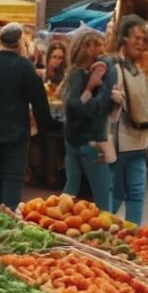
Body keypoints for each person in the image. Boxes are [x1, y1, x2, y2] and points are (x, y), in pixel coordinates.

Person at [0, 23, 52, 210]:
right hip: (16, 131)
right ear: (19, 42)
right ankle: (8, 222)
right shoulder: (25, 67)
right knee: (12, 178)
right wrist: (44, 126)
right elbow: (39, 100)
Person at [109, 16, 148, 225]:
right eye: (136, 38)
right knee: (117, 194)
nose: (141, 43)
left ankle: (133, 237)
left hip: (138, 143)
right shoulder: (113, 68)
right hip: (119, 144)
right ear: (123, 39)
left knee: (137, 192)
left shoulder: (139, 71)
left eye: (144, 39)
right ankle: (98, 235)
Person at [62, 26, 118, 209]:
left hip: (73, 140)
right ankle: (105, 230)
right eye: (94, 45)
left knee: (71, 189)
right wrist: (90, 90)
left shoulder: (77, 74)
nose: (100, 50)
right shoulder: (81, 75)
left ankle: (55, 220)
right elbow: (76, 105)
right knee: (103, 193)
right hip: (90, 142)